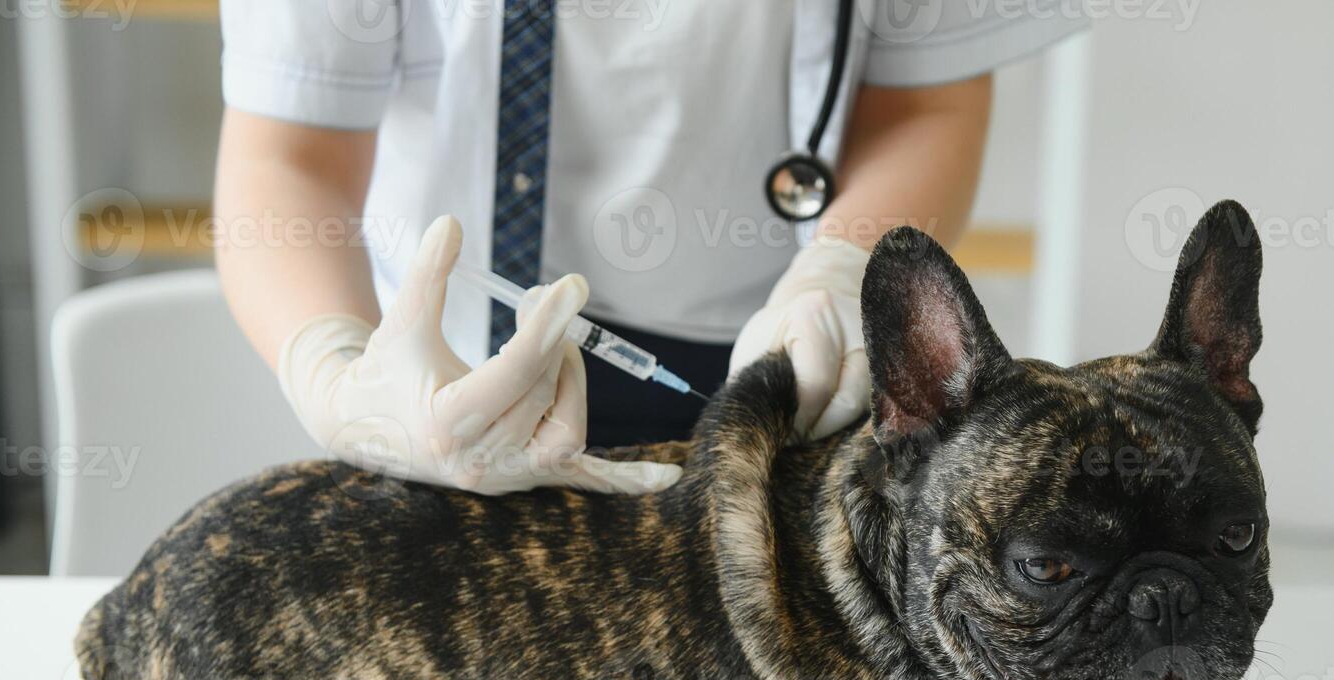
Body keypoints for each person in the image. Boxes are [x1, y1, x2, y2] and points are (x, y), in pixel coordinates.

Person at [214, 0, 1086, 495]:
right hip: (448, 380)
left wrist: (837, 271)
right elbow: (289, 157)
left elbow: (924, 107)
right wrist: (334, 366)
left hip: (786, 363)